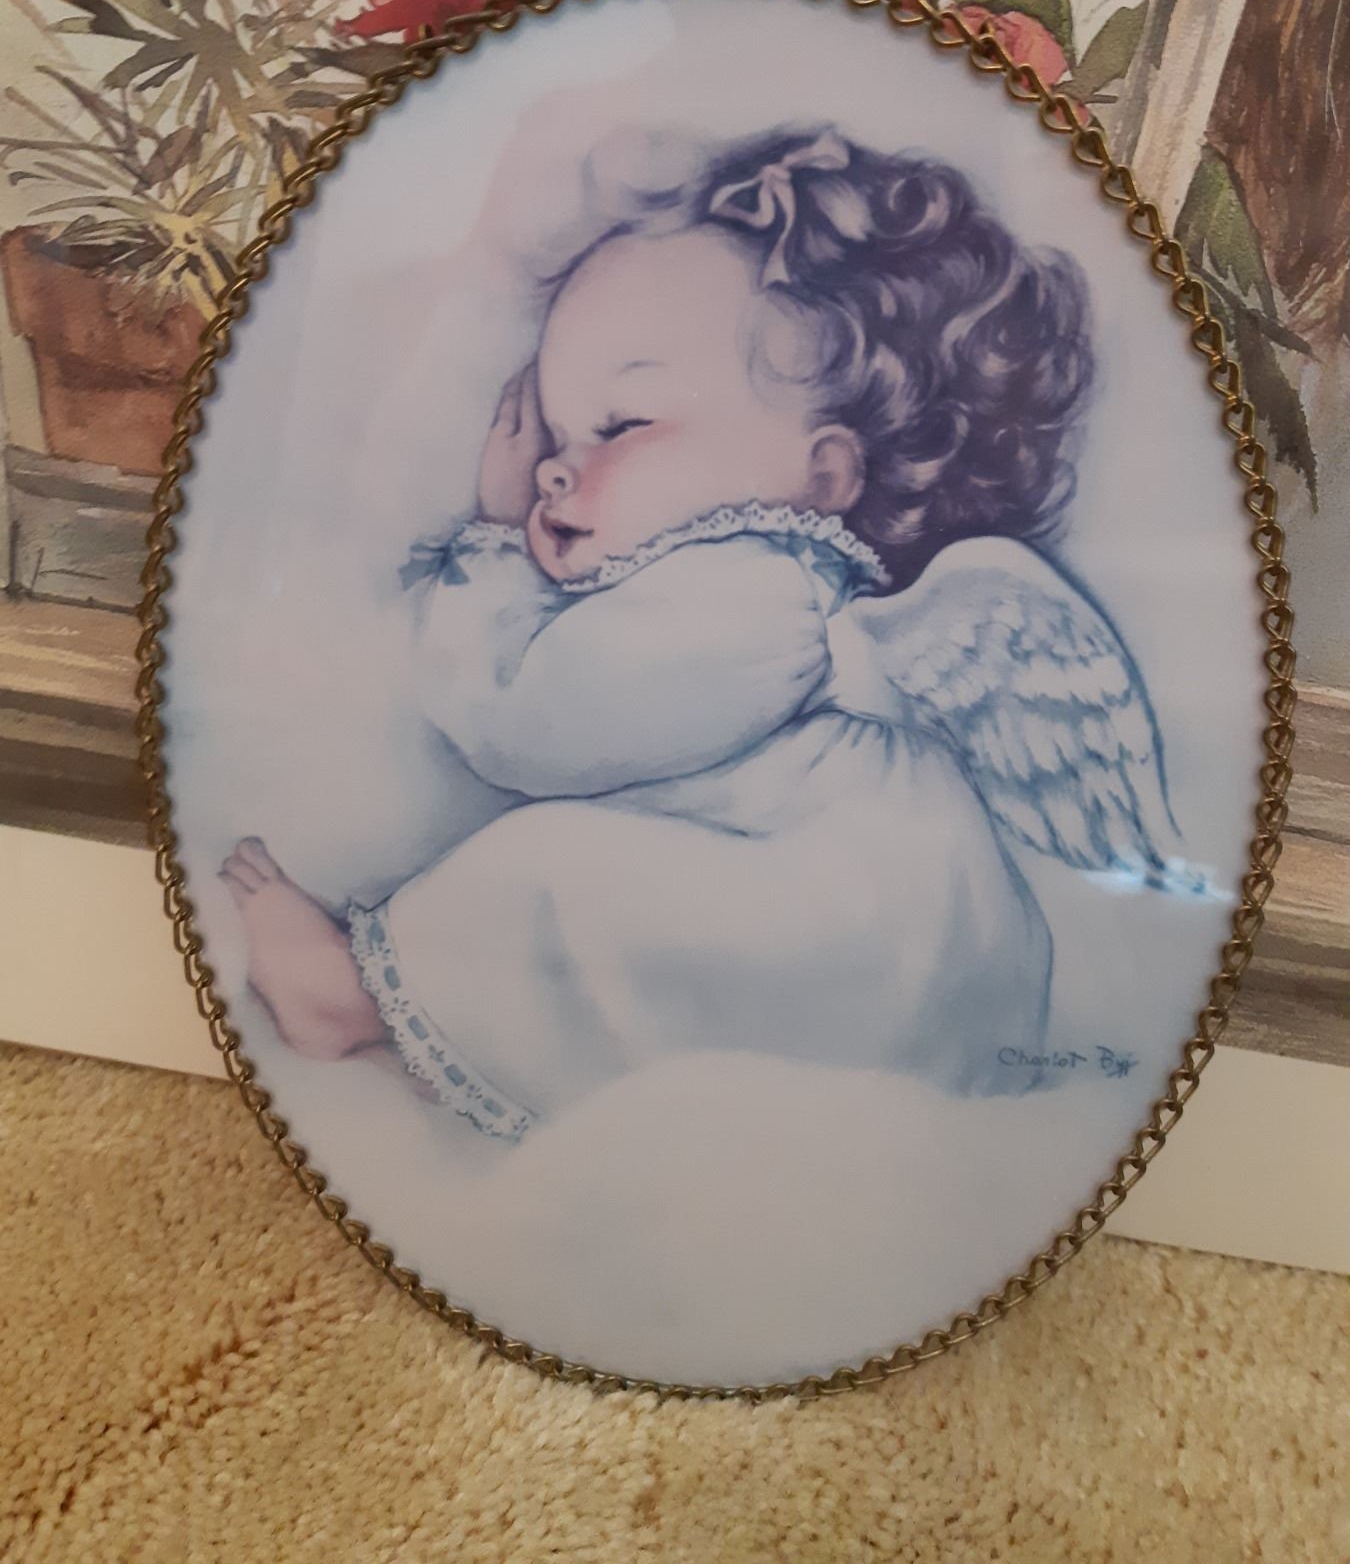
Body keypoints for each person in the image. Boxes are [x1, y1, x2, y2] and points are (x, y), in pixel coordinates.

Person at [221, 128, 1176, 1142]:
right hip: (879, 947)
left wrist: (495, 548)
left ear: (823, 474)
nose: (551, 467)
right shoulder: (764, 593)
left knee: (555, 866)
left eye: (622, 424)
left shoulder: (754, 597)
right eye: (558, 434)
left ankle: (348, 999)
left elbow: (529, 724)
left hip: (837, 935)